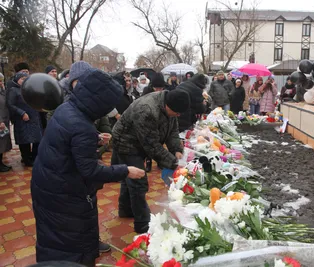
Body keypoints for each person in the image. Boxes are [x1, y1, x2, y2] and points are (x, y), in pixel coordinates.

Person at [31, 68, 145, 266]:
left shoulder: (67, 108)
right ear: (99, 102)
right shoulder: (81, 126)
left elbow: (66, 142)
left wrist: (96, 139)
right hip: (66, 194)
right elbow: (90, 170)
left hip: (48, 185)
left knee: (53, 240)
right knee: (71, 245)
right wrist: (126, 170)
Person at [112, 89, 190, 233]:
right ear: (168, 105)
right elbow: (152, 146)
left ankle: (126, 210)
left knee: (129, 177)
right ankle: (143, 225)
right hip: (126, 143)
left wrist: (176, 150)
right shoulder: (146, 110)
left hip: (140, 142)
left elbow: (172, 131)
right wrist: (174, 163)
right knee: (138, 181)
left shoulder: (171, 105)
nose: (178, 116)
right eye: (177, 113)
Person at [7, 73, 43, 166]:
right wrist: (22, 113)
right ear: (17, 80)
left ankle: (34, 157)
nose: (25, 80)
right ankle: (26, 159)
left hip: (34, 118)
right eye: (22, 79)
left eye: (26, 78)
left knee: (37, 139)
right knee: (24, 141)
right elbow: (10, 104)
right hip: (22, 119)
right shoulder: (13, 90)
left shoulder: (30, 89)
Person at [0, 73, 12, 172]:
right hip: (1, 122)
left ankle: (1, 163)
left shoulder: (2, 91)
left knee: (3, 143)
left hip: (4, 120)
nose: (1, 82)